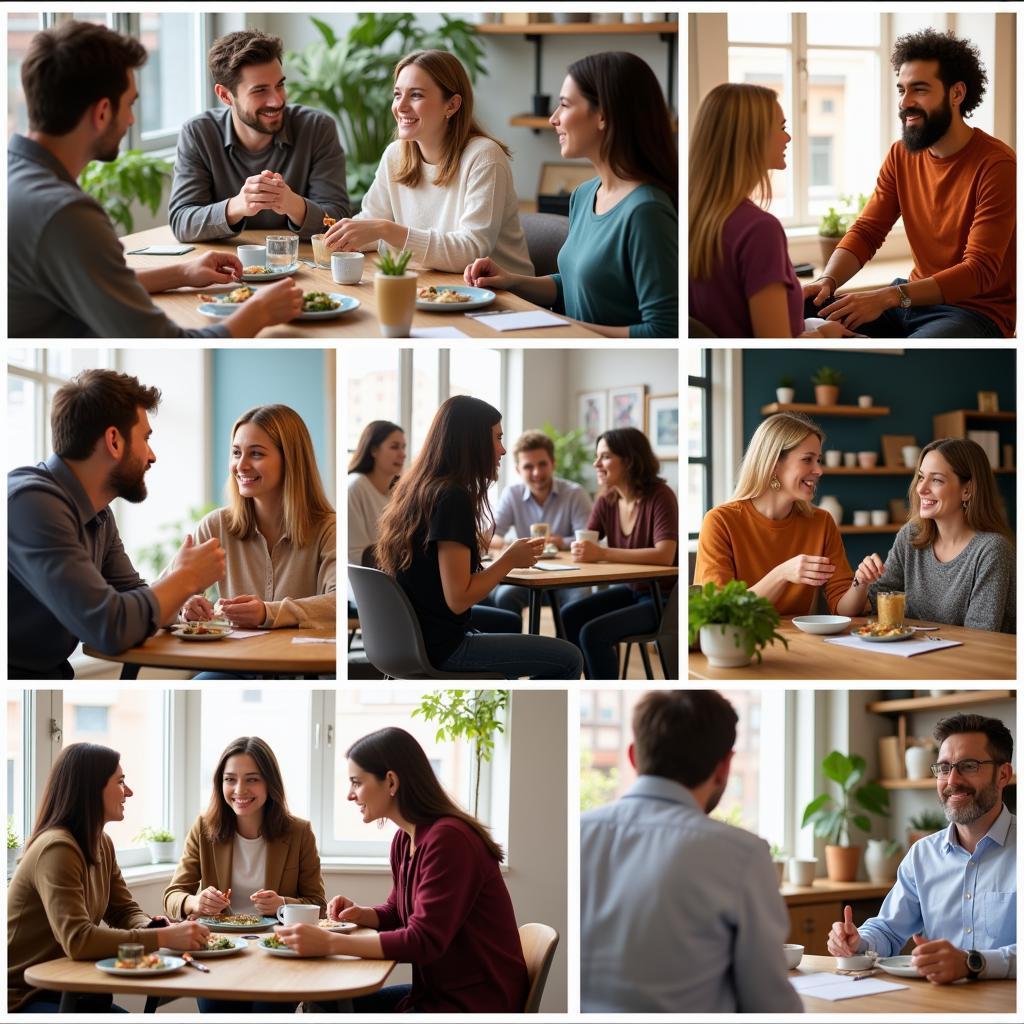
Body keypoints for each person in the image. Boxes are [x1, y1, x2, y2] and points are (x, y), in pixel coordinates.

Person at [8, 20, 302, 339]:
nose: (132, 119)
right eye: (131, 104)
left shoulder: (18, 181)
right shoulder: (66, 215)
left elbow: (91, 281)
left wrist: (181, 272)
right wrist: (259, 312)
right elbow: (171, 342)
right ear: (103, 112)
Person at [275, 727, 529, 1012]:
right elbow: (398, 912)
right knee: (323, 1004)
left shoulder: (449, 840)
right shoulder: (404, 840)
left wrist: (330, 943)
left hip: (475, 1003)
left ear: (391, 781)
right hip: (433, 993)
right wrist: (363, 914)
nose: (350, 795)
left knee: (325, 1007)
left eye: (357, 782)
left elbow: (423, 941)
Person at [581, 691, 802, 1012]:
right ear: (724, 767)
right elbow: (768, 1005)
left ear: (632, 756)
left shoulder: (579, 831)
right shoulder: (742, 855)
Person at [8, 370, 225, 679]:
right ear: (114, 441)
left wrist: (180, 603)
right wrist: (187, 577)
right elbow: (107, 626)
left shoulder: (99, 514)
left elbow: (132, 593)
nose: (152, 456)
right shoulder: (30, 503)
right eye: (146, 438)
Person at [807, 29, 1015, 338]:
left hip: (974, 313)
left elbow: (978, 271)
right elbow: (867, 232)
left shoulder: (998, 165)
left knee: (917, 350)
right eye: (901, 90)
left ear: (956, 94)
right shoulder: (901, 154)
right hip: (911, 302)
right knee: (804, 309)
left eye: (919, 89)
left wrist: (889, 297)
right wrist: (827, 281)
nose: (905, 102)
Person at [465, 52, 677, 338]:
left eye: (564, 105)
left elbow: (663, 331)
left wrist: (563, 329)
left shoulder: (646, 211)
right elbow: (574, 285)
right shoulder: (584, 194)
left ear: (603, 115)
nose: (553, 118)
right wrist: (510, 281)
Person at [374, 396, 583, 679]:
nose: (503, 449)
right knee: (569, 658)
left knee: (508, 621)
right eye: (497, 438)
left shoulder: (417, 488)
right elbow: (459, 599)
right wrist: (510, 559)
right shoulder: (452, 497)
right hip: (442, 647)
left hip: (406, 638)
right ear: (471, 442)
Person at [8, 744, 209, 1013]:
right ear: (91, 790)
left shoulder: (101, 842)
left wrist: (152, 926)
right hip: (27, 998)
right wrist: (163, 938)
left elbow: (123, 909)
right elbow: (78, 940)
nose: (129, 792)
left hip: (73, 988)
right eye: (121, 782)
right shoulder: (56, 849)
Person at [828, 713, 1016, 983]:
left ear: (1003, 775)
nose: (952, 781)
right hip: (937, 1004)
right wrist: (858, 941)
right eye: (944, 768)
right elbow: (889, 930)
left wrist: (973, 963)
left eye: (969, 766)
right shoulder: (922, 854)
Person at [324, 50, 532, 275]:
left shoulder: (484, 157)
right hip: (436, 286)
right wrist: (340, 235)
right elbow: (370, 226)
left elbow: (471, 252)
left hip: (506, 299)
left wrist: (384, 230)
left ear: (451, 105)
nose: (400, 107)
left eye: (416, 95)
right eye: (397, 94)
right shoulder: (395, 155)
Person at [164, 736, 326, 1014]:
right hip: (219, 950)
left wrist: (283, 905)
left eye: (252, 779)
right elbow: (173, 895)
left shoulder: (299, 832)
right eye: (230, 779)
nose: (239, 789)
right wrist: (196, 902)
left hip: (278, 952)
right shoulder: (204, 828)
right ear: (220, 784)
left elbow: (318, 905)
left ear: (269, 783)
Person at [688, 83, 861, 339]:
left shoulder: (693, 217)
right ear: (751, 137)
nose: (788, 138)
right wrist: (826, 334)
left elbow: (727, 306)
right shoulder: (759, 229)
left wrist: (788, 296)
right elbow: (775, 343)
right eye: (781, 128)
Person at [169, 29, 350, 243]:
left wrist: (292, 204)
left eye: (280, 85)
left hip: (302, 263)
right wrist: (238, 205)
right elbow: (182, 221)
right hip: (222, 264)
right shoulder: (199, 134)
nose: (277, 100)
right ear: (226, 95)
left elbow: (338, 218)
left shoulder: (317, 128)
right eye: (260, 90)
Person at [694, 411, 877, 618]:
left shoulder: (821, 522)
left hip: (800, 646)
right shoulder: (720, 521)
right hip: (739, 644)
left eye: (818, 459)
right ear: (774, 465)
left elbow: (843, 609)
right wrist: (782, 574)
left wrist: (860, 583)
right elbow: (718, 612)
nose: (819, 470)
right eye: (807, 460)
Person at [181, 405, 336, 632]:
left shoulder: (328, 529)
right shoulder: (215, 526)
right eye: (236, 452)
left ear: (290, 460)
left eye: (256, 453)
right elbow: (163, 594)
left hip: (302, 665)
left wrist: (267, 612)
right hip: (235, 664)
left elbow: (340, 602)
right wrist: (185, 605)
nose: (241, 466)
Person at [859, 438, 1014, 632]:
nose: (921, 489)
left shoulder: (992, 550)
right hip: (914, 655)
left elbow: (980, 636)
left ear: (967, 490)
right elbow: (871, 604)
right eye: (921, 477)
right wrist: (861, 582)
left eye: (937, 480)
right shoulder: (911, 536)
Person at [559, 429, 677, 679]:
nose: (596, 464)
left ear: (630, 459)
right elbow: (587, 541)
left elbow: (665, 555)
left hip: (663, 599)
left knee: (592, 633)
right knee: (569, 615)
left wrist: (601, 552)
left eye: (605, 457)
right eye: (597, 457)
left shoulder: (660, 496)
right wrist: (579, 549)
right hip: (633, 591)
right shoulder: (607, 501)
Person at [489, 429, 593, 615]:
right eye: (528, 466)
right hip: (528, 575)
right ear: (518, 470)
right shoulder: (512, 494)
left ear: (553, 463)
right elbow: (493, 535)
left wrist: (559, 542)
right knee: (505, 596)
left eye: (542, 464)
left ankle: (569, 645)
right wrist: (509, 546)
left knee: (580, 600)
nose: (536, 472)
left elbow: (587, 540)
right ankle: (513, 645)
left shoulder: (575, 494)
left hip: (568, 577)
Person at [347, 420, 406, 566]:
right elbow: (355, 553)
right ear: (373, 450)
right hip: (368, 581)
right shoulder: (354, 487)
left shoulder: (400, 492)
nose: (402, 454)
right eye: (394, 447)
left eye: (403, 447)